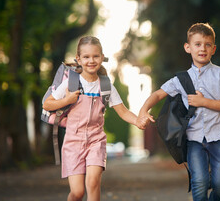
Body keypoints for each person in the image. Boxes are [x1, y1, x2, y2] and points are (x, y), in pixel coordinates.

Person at [138, 23, 220, 201]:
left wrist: (204, 102)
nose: (203, 48)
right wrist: (143, 110)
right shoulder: (180, 79)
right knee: (199, 182)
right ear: (188, 47)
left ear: (213, 49)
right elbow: (158, 94)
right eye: (198, 44)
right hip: (194, 138)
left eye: (208, 44)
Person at [43, 36, 146, 201]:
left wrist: (138, 121)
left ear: (102, 57)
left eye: (95, 56)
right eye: (86, 57)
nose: (91, 60)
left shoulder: (105, 85)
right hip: (73, 141)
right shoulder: (71, 82)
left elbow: (123, 111)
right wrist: (67, 100)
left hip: (96, 140)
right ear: (78, 59)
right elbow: (47, 104)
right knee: (77, 193)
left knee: (92, 182)